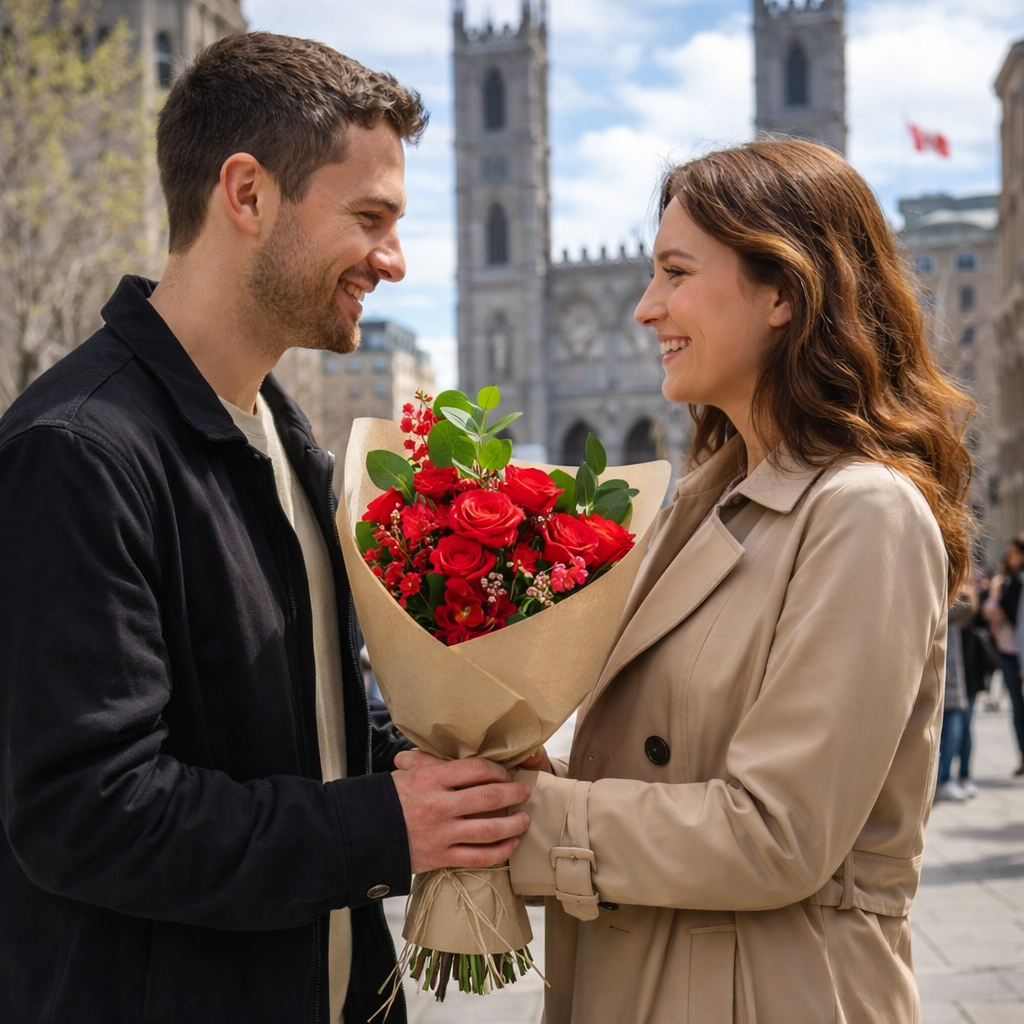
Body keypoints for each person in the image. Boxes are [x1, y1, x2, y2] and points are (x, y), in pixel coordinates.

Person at [0, 33, 529, 1024]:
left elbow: (302, 727)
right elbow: (87, 813)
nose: (394, 260)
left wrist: (434, 770)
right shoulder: (75, 451)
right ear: (246, 196)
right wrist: (386, 825)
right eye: (368, 218)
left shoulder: (296, 449)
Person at [500, 138, 974, 1022]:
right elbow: (677, 758)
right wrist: (525, 767)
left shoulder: (864, 512)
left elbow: (777, 833)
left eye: (676, 273)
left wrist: (524, 820)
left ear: (785, 292)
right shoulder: (696, 507)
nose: (646, 309)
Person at [983, 535, 1024, 775]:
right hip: (1009, 651)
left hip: (1018, 650)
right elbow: (990, 609)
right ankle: (1022, 756)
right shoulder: (1006, 581)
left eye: (1014, 554)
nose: (1011, 559)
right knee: (1017, 708)